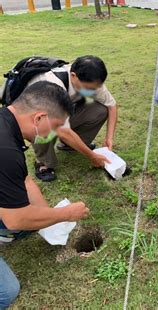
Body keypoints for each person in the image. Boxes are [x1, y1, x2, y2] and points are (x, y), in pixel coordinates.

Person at [0, 82, 90, 308]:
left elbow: (25, 181)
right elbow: (16, 218)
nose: (54, 135)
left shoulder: (7, 124)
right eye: (56, 126)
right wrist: (66, 214)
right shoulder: (6, 152)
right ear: (39, 118)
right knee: (7, 292)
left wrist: (46, 215)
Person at [27, 55, 117, 182]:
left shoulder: (91, 80)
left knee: (100, 110)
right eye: (89, 88)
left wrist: (109, 138)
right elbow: (62, 131)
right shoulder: (51, 85)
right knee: (44, 127)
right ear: (73, 76)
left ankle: (72, 145)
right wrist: (92, 156)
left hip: (63, 112)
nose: (93, 91)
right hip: (36, 118)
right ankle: (43, 162)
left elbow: (111, 106)